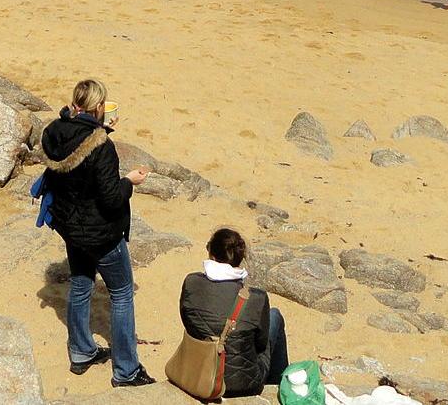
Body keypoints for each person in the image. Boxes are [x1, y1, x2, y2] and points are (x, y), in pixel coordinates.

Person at [40, 80, 154, 388]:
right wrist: (129, 181)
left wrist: (102, 128)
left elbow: (77, 151)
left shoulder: (54, 133)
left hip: (71, 228)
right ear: (98, 107)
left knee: (80, 284)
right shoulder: (101, 146)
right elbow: (112, 198)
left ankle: (81, 351)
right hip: (101, 233)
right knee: (121, 293)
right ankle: (127, 370)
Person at [178, 228, 290, 397]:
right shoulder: (256, 298)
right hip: (243, 384)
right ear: (240, 258)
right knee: (275, 317)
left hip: (200, 372)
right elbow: (260, 344)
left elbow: (187, 322)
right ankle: (277, 387)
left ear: (211, 254)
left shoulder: (191, 282)